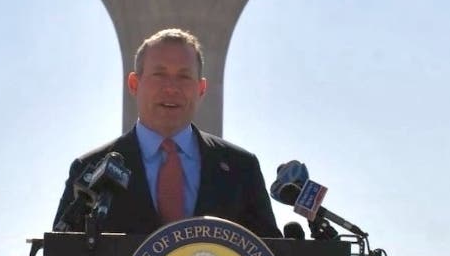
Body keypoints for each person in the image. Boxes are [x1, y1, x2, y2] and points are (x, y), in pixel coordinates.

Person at [54, 28, 281, 238]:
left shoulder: (241, 169)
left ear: (201, 89)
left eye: (184, 76)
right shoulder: (89, 169)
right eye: (159, 75)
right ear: (134, 84)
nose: (171, 88)